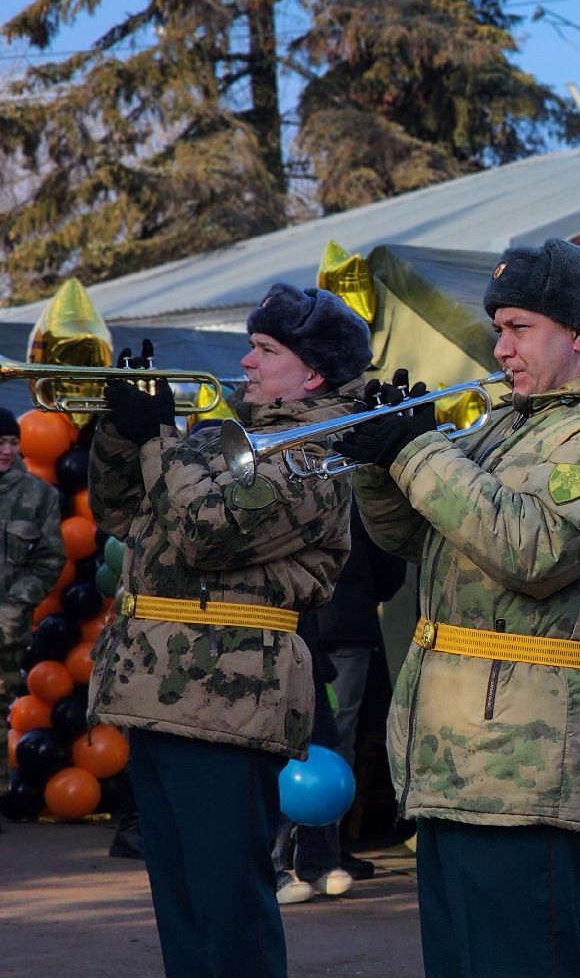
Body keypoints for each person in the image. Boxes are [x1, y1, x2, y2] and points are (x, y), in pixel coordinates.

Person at [340, 238, 580, 978]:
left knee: (520, 961)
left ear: (579, 332)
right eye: (499, 329)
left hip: (526, 763)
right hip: (453, 753)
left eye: (519, 328)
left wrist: (417, 453)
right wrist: (378, 463)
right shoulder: (510, 421)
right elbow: (413, 540)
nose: (501, 347)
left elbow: (533, 549)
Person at [88, 286, 370, 978]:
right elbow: (126, 516)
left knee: (227, 912)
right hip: (158, 688)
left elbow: (202, 531)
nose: (244, 360)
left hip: (227, 699)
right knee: (182, 906)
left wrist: (160, 435)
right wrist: (123, 431)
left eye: (266, 350)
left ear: (313, 373)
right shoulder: (228, 434)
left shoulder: (315, 452)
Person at [274, 508, 407, 904]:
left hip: (331, 627)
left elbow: (388, 556)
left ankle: (320, 860)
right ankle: (275, 864)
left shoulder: (350, 486)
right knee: (279, 746)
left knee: (329, 746)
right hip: (284, 626)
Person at [0, 406, 66, 699]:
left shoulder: (39, 495)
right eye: (0, 442)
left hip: (6, 636)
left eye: (13, 443)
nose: (7, 450)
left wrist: (12, 609)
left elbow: (48, 559)